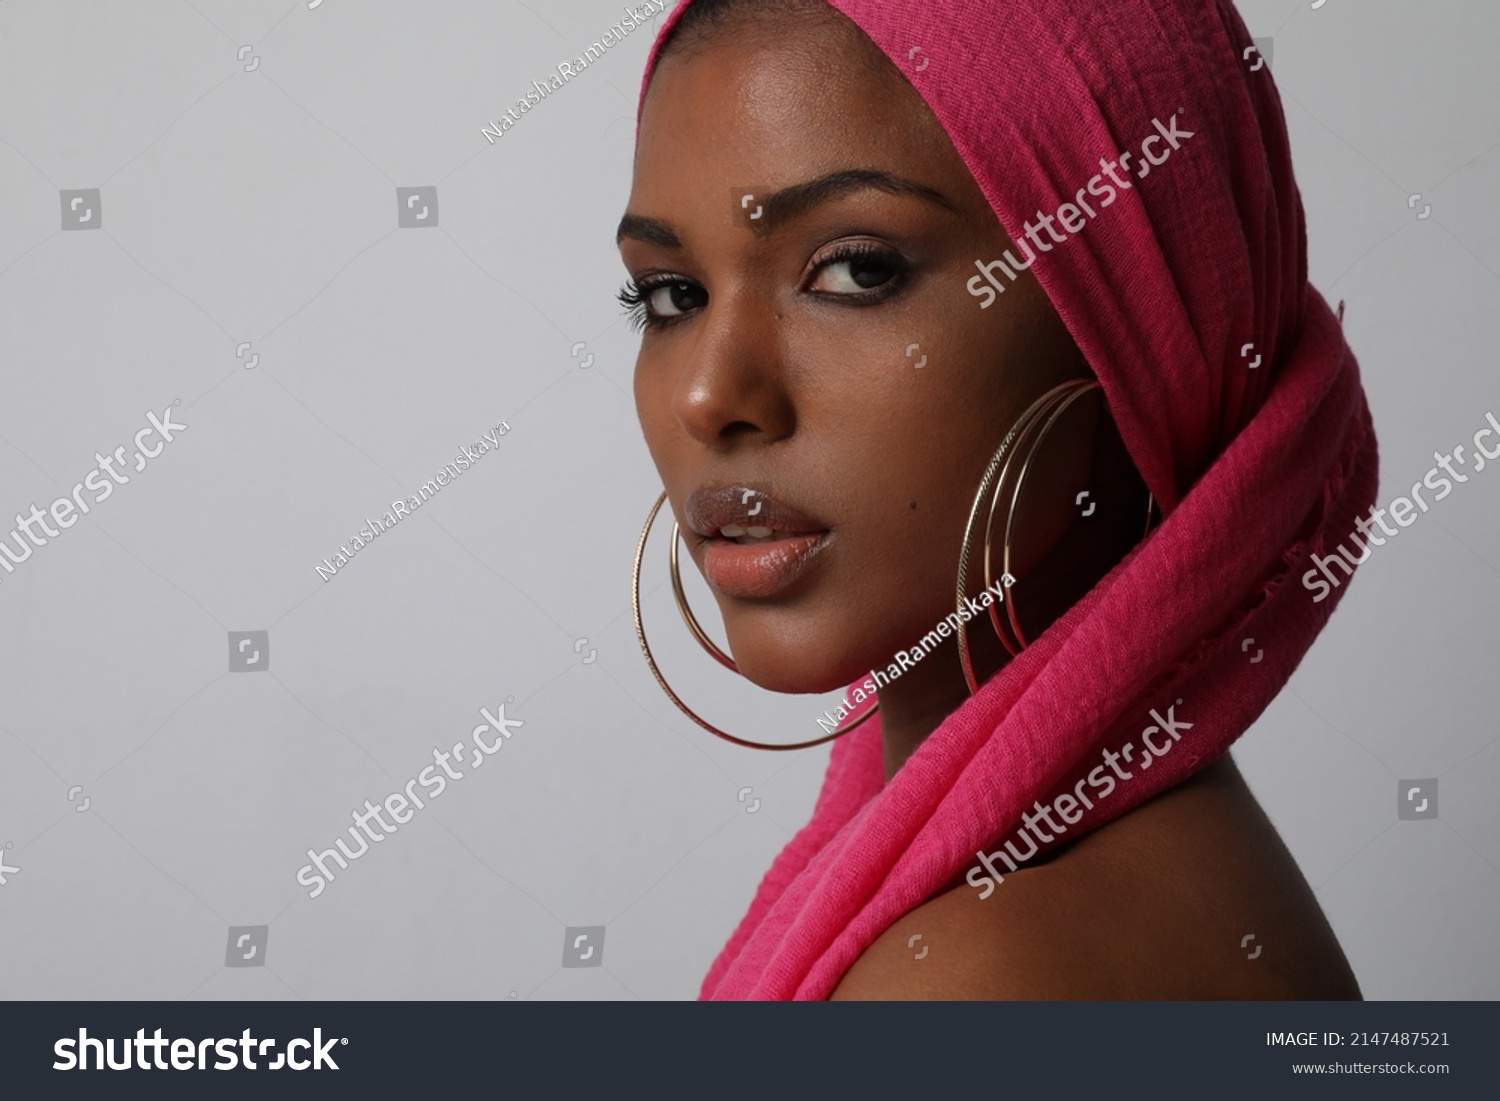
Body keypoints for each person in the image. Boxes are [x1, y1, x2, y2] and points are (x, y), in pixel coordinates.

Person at [617, 0, 1373, 999]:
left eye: (855, 269)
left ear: (1144, 322)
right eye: (671, 293)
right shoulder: (1116, 878)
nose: (711, 396)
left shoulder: (994, 975)